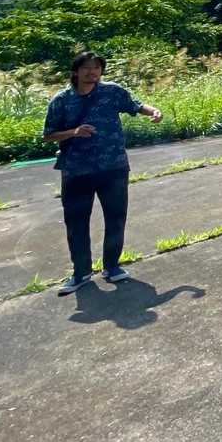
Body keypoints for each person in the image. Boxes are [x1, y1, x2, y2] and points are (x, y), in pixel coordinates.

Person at [42, 51, 162, 296]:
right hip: (76, 170)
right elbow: (48, 134)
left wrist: (154, 112)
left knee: (116, 218)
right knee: (76, 222)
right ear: (75, 71)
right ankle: (81, 273)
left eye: (96, 68)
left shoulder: (112, 92)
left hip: (114, 167)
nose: (92, 72)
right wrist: (74, 132)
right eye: (86, 68)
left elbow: (136, 105)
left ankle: (112, 267)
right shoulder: (61, 100)